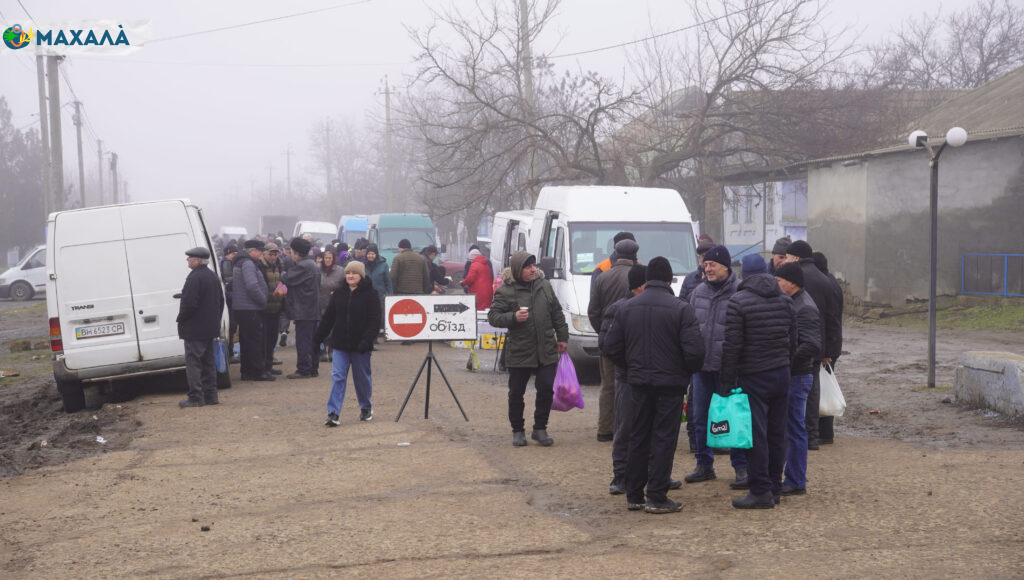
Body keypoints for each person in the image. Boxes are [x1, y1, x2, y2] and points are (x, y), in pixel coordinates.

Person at [604, 257, 705, 514]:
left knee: (638, 436)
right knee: (663, 438)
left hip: (637, 383)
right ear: (670, 280)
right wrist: (683, 371)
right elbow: (695, 352)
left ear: (647, 280)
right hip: (670, 385)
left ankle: (634, 494)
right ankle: (657, 496)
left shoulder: (626, 308)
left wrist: (631, 367)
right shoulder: (681, 309)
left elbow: (611, 347)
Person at [600, 264, 685, 495]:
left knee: (650, 429)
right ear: (640, 285)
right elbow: (608, 345)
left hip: (645, 377)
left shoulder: (644, 307)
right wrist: (631, 365)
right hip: (629, 379)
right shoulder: (619, 308)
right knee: (626, 428)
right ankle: (620, 476)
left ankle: (655, 475)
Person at [720, 254, 795, 509]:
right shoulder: (785, 299)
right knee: (777, 434)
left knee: (756, 435)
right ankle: (774, 488)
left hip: (753, 375)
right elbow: (792, 340)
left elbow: (732, 347)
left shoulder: (738, 302)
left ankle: (760, 490)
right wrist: (786, 365)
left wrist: (726, 382)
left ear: (743, 274)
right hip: (781, 373)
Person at [488, 251, 569, 447]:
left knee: (546, 389)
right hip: (519, 349)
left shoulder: (545, 286)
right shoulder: (506, 291)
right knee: (516, 392)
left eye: (533, 265)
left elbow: (557, 313)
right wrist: (513, 317)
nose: (533, 269)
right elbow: (493, 317)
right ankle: (518, 431)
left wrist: (563, 337)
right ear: (518, 269)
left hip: (546, 348)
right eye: (527, 266)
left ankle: (540, 429)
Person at [684, 246, 749, 488]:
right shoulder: (698, 293)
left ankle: (741, 467)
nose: (707, 268)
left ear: (725, 266)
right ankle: (704, 464)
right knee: (700, 417)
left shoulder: (740, 292)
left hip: (730, 369)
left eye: (712, 265)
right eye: (705, 264)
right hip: (702, 368)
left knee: (735, 417)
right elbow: (689, 328)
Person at [785, 240, 841, 450]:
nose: (786, 261)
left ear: (796, 258)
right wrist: (828, 349)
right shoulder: (825, 279)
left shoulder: (796, 279)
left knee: (800, 392)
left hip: (800, 343)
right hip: (819, 344)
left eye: (788, 257)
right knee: (813, 390)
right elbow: (832, 317)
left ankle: (803, 434)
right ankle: (814, 434)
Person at [315, 260, 380, 427]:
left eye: (354, 273)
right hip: (340, 344)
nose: (350, 276)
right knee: (338, 377)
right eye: (348, 273)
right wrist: (318, 337)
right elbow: (329, 318)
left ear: (361, 275)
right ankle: (333, 413)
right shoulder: (339, 293)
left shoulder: (371, 294)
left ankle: (366, 406)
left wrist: (367, 340)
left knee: (362, 379)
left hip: (361, 346)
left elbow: (374, 321)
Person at [774, 262, 821, 496]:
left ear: (791, 283)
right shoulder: (794, 302)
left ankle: (795, 479)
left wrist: (786, 359)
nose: (776, 284)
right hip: (794, 374)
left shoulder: (805, 307)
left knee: (794, 428)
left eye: (779, 281)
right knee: (789, 427)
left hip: (799, 375)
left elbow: (812, 344)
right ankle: (791, 476)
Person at [588, 238, 639, 443]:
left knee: (608, 385)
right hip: (634, 340)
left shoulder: (602, 277)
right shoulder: (638, 276)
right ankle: (629, 427)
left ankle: (605, 429)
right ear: (634, 256)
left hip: (609, 340)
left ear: (615, 255)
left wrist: (603, 332)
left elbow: (593, 311)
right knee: (632, 385)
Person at [176, 247, 225, 407]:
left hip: (194, 328)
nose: (187, 260)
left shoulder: (194, 278)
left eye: (189, 257)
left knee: (194, 363)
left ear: (197, 260)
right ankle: (211, 395)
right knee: (208, 362)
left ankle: (196, 397)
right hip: (210, 327)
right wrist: (215, 320)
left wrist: (181, 318)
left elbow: (189, 304)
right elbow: (221, 301)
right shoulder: (212, 276)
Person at [812, 250, 844, 445]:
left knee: (820, 388)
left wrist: (826, 352)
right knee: (823, 386)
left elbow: (829, 319)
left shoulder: (825, 285)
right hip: (832, 344)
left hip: (828, 346)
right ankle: (824, 431)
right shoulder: (831, 282)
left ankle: (822, 431)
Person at [281, 237, 321, 379]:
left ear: (296, 253)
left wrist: (282, 273)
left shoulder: (303, 266)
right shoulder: (313, 264)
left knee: (303, 341)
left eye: (291, 252)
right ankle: (313, 368)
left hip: (304, 310)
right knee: (312, 340)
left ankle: (304, 369)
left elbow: (287, 278)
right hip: (312, 309)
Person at [233, 240, 273, 381]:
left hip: (243, 308)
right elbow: (252, 285)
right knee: (255, 341)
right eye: (259, 251)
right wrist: (263, 300)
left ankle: (247, 371)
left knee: (246, 341)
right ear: (252, 251)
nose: (261, 254)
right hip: (250, 308)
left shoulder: (241, 262)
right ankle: (257, 372)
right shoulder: (248, 263)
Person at [391, 238, 432, 344]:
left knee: (404, 314)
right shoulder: (421, 258)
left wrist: (393, 290)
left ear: (401, 248)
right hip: (418, 291)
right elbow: (426, 276)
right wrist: (424, 289)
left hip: (402, 290)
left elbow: (393, 276)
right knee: (415, 314)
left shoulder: (397, 258)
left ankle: (406, 337)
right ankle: (415, 336)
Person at [258, 242, 285, 376]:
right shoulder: (260, 266)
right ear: (264, 253)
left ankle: (269, 366)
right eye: (270, 254)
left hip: (276, 308)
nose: (273, 257)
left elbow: (282, 283)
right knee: (263, 340)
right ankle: (262, 367)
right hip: (264, 309)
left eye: (275, 254)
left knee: (272, 339)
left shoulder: (280, 265)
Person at [318, 248, 346, 362]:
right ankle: (322, 352)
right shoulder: (317, 270)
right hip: (319, 304)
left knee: (333, 330)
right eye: (326, 258)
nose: (327, 260)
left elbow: (346, 286)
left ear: (333, 259)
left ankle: (332, 351)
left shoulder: (340, 271)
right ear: (322, 259)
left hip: (334, 305)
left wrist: (337, 292)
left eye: (330, 258)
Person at [220, 244, 240, 364]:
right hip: (227, 301)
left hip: (232, 300)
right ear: (227, 254)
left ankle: (231, 352)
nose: (234, 257)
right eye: (233, 254)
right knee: (230, 327)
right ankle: (230, 353)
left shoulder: (231, 265)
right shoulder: (224, 265)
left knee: (233, 328)